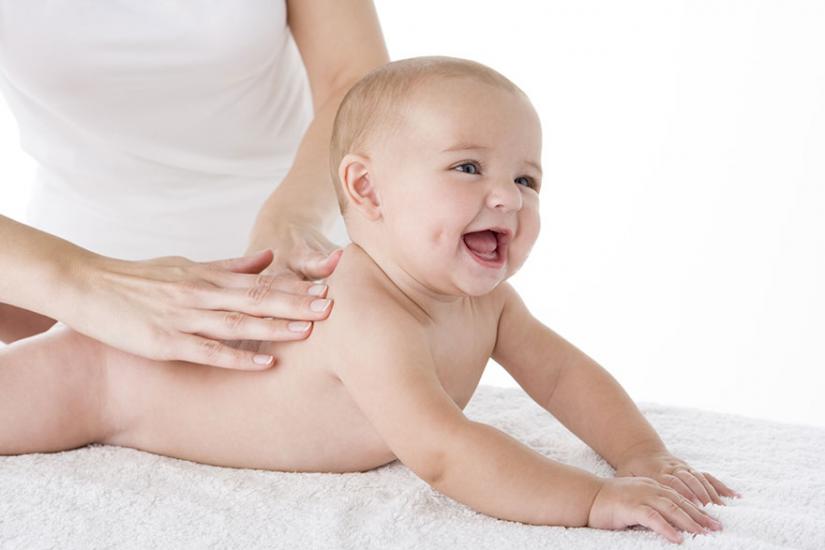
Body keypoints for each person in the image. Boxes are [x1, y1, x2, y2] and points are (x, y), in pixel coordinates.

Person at [0, 56, 740, 544]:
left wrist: (639, 453)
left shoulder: (486, 303)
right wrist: (589, 500)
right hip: (101, 376)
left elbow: (563, 378)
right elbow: (445, 452)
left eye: (526, 179)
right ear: (364, 189)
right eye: (468, 166)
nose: (504, 198)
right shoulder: (363, 309)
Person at [0, 1, 390, 370]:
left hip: (301, 266)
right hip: (69, 295)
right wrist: (84, 285)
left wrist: (292, 218)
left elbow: (356, 80)